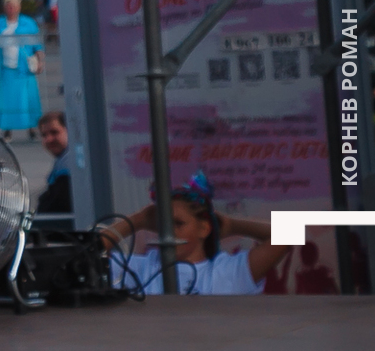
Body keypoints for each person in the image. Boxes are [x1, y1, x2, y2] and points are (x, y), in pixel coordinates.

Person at [98, 173, 291, 294]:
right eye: (164, 224)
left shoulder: (227, 272)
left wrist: (231, 225)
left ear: (203, 229)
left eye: (178, 223)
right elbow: (87, 252)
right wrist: (138, 220)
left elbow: (289, 233)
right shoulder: (142, 267)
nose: (169, 231)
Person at [0, 0, 44, 138]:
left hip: (25, 69)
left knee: (28, 99)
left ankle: (31, 127)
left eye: (14, 6)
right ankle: (7, 129)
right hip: (6, 68)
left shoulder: (28, 23)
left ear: (19, 7)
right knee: (7, 100)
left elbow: (37, 44)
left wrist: (40, 60)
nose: (11, 9)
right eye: (8, 5)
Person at [33, 111, 73, 220]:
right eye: (44, 135)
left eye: (54, 132)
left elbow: (58, 205)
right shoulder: (62, 160)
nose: (49, 139)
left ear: (69, 131)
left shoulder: (68, 164)